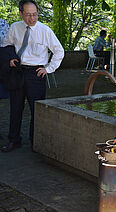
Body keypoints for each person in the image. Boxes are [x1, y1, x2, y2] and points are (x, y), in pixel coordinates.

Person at [1, 0, 64, 152]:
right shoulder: (15, 27)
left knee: (37, 109)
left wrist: (48, 69)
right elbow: (5, 45)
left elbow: (59, 51)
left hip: (36, 74)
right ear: (21, 13)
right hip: (18, 72)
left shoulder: (45, 30)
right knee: (15, 108)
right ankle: (14, 140)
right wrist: (10, 58)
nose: (32, 19)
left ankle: (35, 141)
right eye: (28, 15)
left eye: (35, 14)